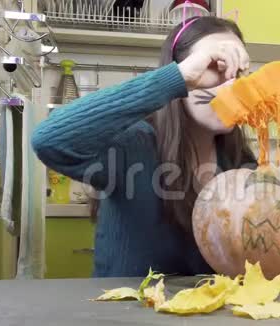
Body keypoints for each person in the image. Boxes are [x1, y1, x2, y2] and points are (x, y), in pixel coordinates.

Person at [31, 16, 256, 277]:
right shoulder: (134, 143)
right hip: (126, 315)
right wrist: (178, 79)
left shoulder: (239, 161)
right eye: (215, 67)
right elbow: (49, 139)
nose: (231, 86)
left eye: (238, 74)